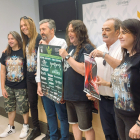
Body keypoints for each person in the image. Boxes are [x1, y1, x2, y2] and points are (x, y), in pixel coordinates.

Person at [95, 18, 140, 140]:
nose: (120, 36)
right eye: (119, 32)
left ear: (136, 35)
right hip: (119, 112)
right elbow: (126, 84)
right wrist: (106, 84)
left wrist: (139, 123)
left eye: (124, 32)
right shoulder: (127, 57)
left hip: (134, 117)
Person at [59, 20, 95, 140]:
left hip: (81, 96)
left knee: (87, 128)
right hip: (69, 95)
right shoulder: (70, 48)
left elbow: (84, 70)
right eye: (68, 31)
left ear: (80, 32)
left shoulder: (87, 48)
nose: (70, 33)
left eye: (73, 30)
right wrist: (63, 92)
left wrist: (67, 57)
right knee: (74, 124)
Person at [87, 18, 122, 140]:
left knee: (121, 135)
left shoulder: (123, 48)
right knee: (108, 134)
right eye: (102, 30)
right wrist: (92, 91)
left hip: (119, 101)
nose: (103, 32)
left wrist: (104, 56)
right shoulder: (99, 48)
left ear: (118, 32)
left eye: (107, 30)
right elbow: (93, 73)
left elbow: (123, 68)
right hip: (103, 101)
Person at [36, 19, 69, 140]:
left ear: (52, 30)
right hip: (45, 85)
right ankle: (53, 137)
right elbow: (39, 66)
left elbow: (61, 64)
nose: (41, 32)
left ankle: (65, 138)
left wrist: (47, 48)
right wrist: (39, 85)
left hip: (57, 86)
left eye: (43, 29)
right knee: (50, 114)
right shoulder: (41, 44)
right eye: (40, 30)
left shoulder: (61, 42)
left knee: (62, 116)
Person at [0, 31, 29, 139]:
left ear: (18, 39)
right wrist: (3, 88)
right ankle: (10, 127)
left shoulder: (24, 52)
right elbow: (2, 71)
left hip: (21, 86)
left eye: (12, 38)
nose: (10, 41)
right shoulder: (5, 53)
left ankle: (25, 126)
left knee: (24, 107)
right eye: (8, 39)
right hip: (8, 86)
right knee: (10, 107)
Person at [20, 16, 42, 140]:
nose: (23, 28)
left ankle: (50, 130)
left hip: (39, 77)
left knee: (45, 104)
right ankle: (36, 128)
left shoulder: (39, 38)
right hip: (29, 77)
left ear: (31, 25)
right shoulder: (26, 40)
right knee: (32, 103)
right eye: (21, 26)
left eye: (25, 25)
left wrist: (39, 73)